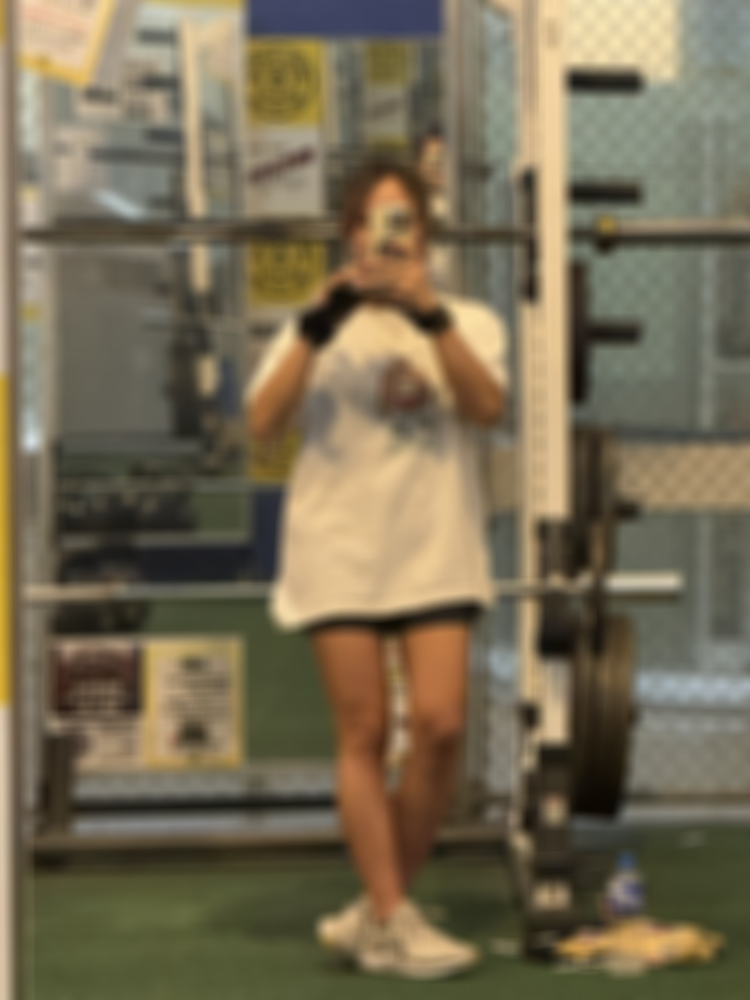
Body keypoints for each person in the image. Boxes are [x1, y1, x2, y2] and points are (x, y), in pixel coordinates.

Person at [246, 160, 508, 980]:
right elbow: (262, 423)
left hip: (434, 547)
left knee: (441, 726)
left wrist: (431, 316)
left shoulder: (467, 320)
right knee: (363, 731)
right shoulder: (316, 324)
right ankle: (393, 916)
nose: (386, 237)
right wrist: (315, 329)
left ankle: (378, 910)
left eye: (403, 222)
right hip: (342, 551)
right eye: (370, 222)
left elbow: (488, 408)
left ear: (424, 234)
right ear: (349, 234)